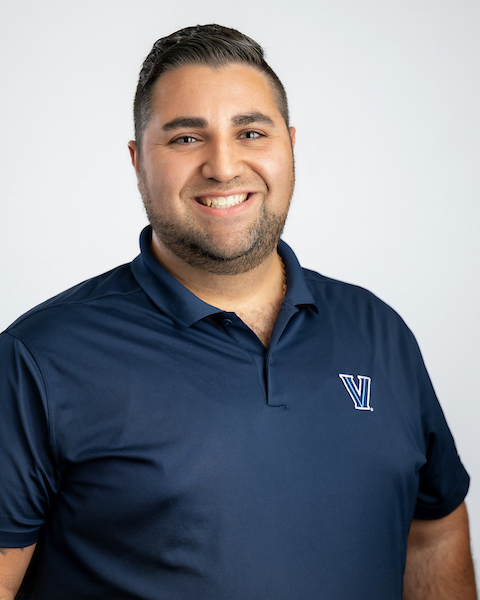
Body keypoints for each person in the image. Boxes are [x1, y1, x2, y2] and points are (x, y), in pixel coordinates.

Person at [0, 24, 476, 600]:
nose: (223, 167)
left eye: (250, 132)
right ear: (137, 160)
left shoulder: (379, 332)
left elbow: (433, 531)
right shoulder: (39, 359)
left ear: (290, 147)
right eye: (185, 138)